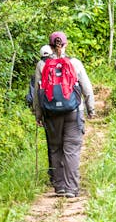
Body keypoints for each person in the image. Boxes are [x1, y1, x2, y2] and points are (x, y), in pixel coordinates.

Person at [32, 31, 95, 197]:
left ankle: (59, 186)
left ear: (50, 46)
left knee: (55, 148)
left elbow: (38, 93)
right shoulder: (74, 63)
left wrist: (38, 115)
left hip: (51, 113)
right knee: (72, 150)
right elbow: (87, 88)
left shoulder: (42, 65)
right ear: (65, 44)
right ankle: (71, 188)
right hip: (74, 111)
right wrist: (91, 109)